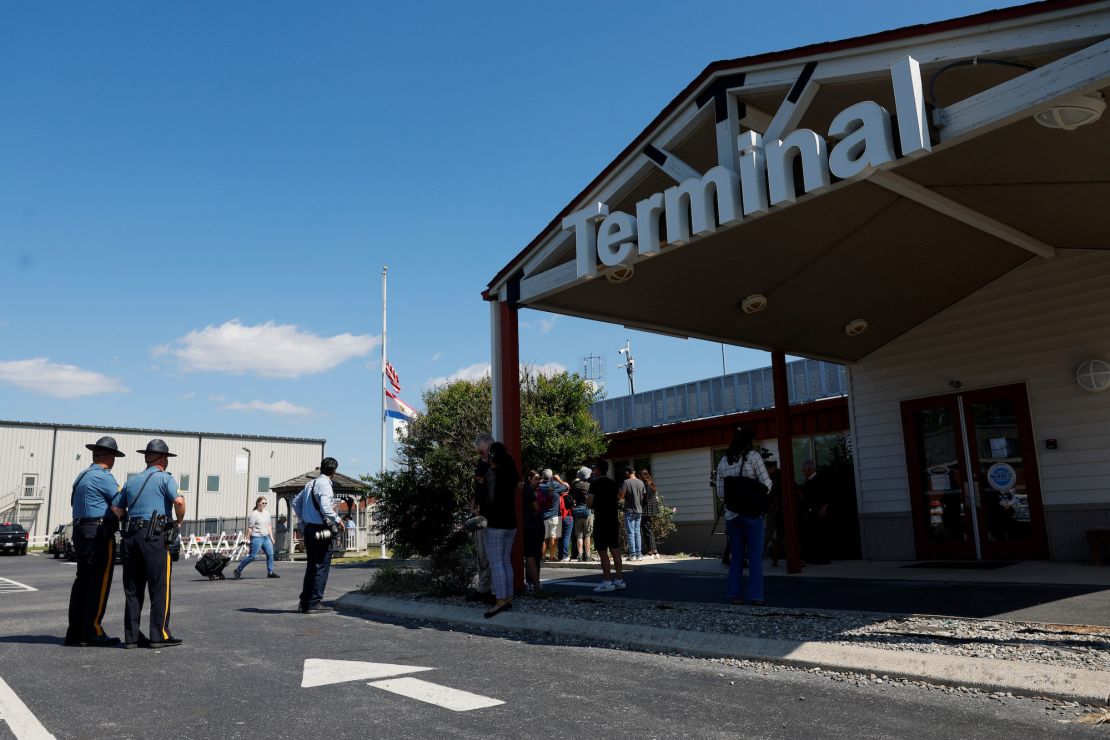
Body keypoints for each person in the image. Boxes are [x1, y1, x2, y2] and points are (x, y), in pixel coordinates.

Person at [115, 439, 186, 648]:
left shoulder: (132, 481)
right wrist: (178, 521)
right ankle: (159, 634)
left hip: (130, 536)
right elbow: (179, 502)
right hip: (153, 536)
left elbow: (117, 510)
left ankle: (132, 637)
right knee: (158, 585)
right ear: (163, 458)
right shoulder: (165, 478)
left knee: (133, 588)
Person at [65, 436, 127, 647]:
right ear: (110, 457)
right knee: (99, 583)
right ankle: (92, 630)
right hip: (98, 532)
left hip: (80, 530)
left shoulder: (81, 476)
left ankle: (75, 632)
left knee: (82, 582)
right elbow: (119, 503)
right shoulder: (104, 477)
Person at [716, 428, 772, 606]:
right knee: (755, 559)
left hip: (732, 516)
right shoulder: (754, 457)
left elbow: (720, 493)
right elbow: (767, 484)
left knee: (736, 558)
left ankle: (735, 595)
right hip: (753, 515)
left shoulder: (723, 461)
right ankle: (756, 597)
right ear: (748, 442)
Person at [292, 457, 344, 614]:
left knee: (311, 566)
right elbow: (326, 508)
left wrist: (304, 519)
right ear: (334, 471)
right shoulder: (325, 485)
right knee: (321, 565)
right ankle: (314, 602)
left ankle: (305, 602)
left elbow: (295, 502)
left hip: (309, 529)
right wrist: (338, 520)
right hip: (321, 530)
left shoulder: (310, 484)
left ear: (322, 468)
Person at [483, 442, 521, 618]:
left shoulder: (492, 474)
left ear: (492, 456)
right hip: (511, 522)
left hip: (496, 523)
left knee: (496, 562)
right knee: (506, 562)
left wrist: (479, 512)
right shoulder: (511, 474)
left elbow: (490, 501)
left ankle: (499, 601)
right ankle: (508, 598)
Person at [465, 433, 495, 604]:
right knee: (481, 554)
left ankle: (496, 591)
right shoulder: (480, 465)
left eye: (482, 452)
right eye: (478, 452)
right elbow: (478, 488)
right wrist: (474, 504)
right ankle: (483, 588)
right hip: (479, 514)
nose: (480, 455)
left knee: (493, 556)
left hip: (492, 516)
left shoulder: (495, 466)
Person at [588, 461, 626, 592]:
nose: (593, 471)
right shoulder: (613, 482)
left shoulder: (595, 483)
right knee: (615, 549)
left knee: (602, 551)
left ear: (598, 470)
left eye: (594, 469)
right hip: (613, 519)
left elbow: (590, 502)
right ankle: (619, 579)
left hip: (601, 520)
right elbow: (621, 495)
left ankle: (607, 581)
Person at [233, 496, 278, 579]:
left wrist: (271, 537)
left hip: (266, 537)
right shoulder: (254, 514)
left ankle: (270, 573)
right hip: (256, 537)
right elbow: (250, 528)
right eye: (262, 503)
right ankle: (237, 570)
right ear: (258, 503)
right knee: (252, 556)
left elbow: (269, 526)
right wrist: (246, 538)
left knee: (270, 555)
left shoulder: (267, 513)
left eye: (265, 503)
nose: (264, 505)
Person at [800, 459, 832, 565]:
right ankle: (813, 557)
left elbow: (826, 494)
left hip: (818, 511)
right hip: (810, 512)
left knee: (820, 534)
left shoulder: (819, 480)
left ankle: (822, 558)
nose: (802, 471)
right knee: (812, 534)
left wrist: (823, 508)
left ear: (809, 469)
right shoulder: (808, 482)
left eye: (804, 469)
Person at [522, 470, 545, 592]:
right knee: (533, 555)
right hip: (533, 523)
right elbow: (537, 507)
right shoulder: (529, 490)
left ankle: (531, 582)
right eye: (536, 479)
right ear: (529, 478)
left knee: (533, 555)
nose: (538, 481)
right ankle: (536, 584)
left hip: (529, 523)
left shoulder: (525, 489)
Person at [538, 469, 567, 561]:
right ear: (551, 476)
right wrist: (559, 479)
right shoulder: (555, 484)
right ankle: (551, 556)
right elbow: (566, 487)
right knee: (553, 536)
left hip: (543, 515)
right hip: (554, 515)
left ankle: (542, 556)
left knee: (543, 537)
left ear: (543, 476)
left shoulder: (539, 486)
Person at [620, 468, 646, 561]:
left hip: (629, 510)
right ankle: (639, 554)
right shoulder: (641, 482)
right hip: (639, 510)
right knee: (637, 533)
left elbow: (622, 496)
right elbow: (643, 495)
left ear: (627, 472)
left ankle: (633, 554)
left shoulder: (626, 482)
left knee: (630, 533)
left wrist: (621, 496)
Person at [763, 461, 786, 567]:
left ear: (772, 468)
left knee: (773, 533)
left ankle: (767, 556)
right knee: (777, 534)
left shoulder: (776, 478)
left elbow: (772, 494)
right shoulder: (778, 476)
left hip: (776, 509)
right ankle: (773, 558)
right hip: (776, 509)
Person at [570, 467, 593, 562]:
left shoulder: (575, 485)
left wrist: (577, 478)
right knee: (587, 534)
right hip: (587, 510)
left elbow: (573, 482)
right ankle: (587, 555)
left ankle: (579, 555)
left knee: (579, 535)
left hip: (577, 510)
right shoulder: (589, 486)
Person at [639, 469, 660, 560]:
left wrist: (639, 502)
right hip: (651, 509)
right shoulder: (651, 482)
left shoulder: (645, 484)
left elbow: (645, 498)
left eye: (639, 475)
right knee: (649, 529)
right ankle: (654, 550)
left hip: (647, 509)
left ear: (642, 476)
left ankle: (651, 551)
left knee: (646, 529)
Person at [557, 482, 574, 562]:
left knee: (560, 537)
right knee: (566, 537)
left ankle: (560, 555)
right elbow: (572, 506)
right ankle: (565, 555)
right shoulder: (569, 497)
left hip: (558, 518)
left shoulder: (557, 497)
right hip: (567, 517)